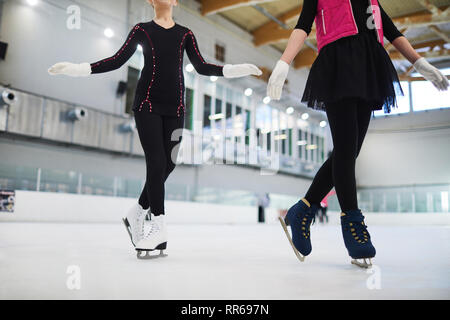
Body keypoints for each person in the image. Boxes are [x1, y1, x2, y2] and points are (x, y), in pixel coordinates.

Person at [48, 0, 262, 259]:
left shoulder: (185, 34)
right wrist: (79, 69)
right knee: (157, 162)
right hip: (147, 104)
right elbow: (117, 60)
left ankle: (137, 211)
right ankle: (158, 224)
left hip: (176, 108)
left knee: (168, 164)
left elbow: (202, 66)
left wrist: (234, 70)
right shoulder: (142, 30)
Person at [268, 0, 448, 268]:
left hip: (369, 65)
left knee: (349, 151)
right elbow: (303, 25)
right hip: (338, 63)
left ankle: (302, 211)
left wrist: (419, 62)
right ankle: (352, 221)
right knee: (344, 149)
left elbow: (392, 31)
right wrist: (284, 62)